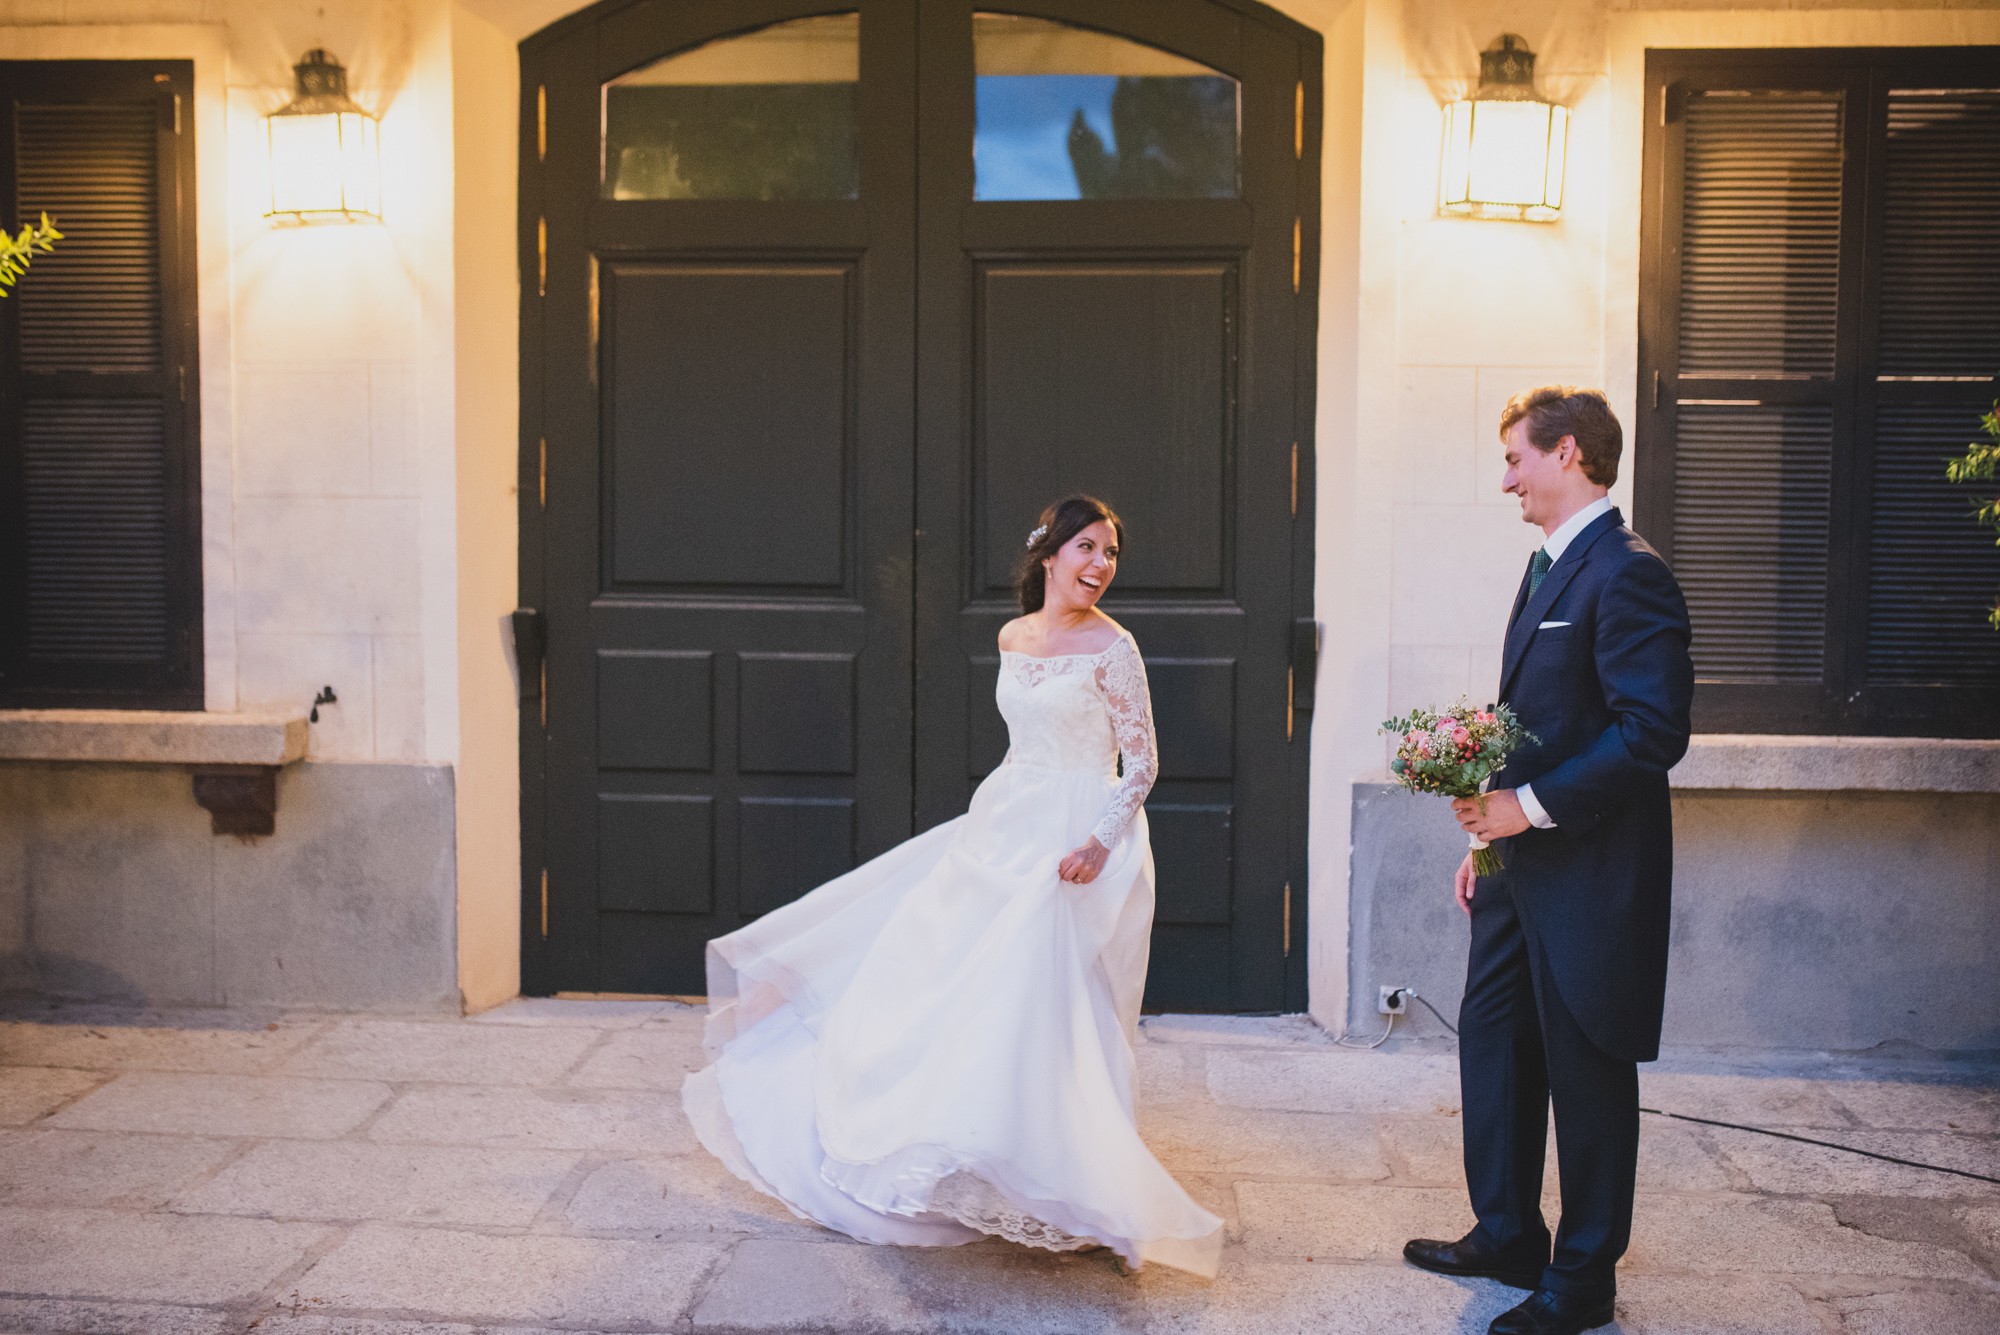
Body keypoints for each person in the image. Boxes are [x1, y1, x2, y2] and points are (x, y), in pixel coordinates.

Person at [682, 494, 1223, 1277]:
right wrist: (993, 812)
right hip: (1008, 817)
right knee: (958, 980)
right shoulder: (1014, 636)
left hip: (1081, 835)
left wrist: (1097, 844)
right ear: (1049, 555)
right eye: (1088, 549)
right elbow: (1023, 740)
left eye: (1111, 554)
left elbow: (1141, 763)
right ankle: (951, 1145)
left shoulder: (1115, 647)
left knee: (1053, 997)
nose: (1101, 566)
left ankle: (1076, 1177)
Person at [1402, 387, 1694, 1335]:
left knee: (1588, 1071)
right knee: (1493, 1044)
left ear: (1566, 453)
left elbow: (1651, 734)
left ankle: (1582, 1281)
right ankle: (1506, 1231)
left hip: (1592, 877)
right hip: (1515, 871)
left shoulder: (1630, 572)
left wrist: (1522, 811)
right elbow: (1534, 723)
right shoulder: (1544, 568)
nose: (1505, 479)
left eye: (1515, 459)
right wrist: (1489, 839)